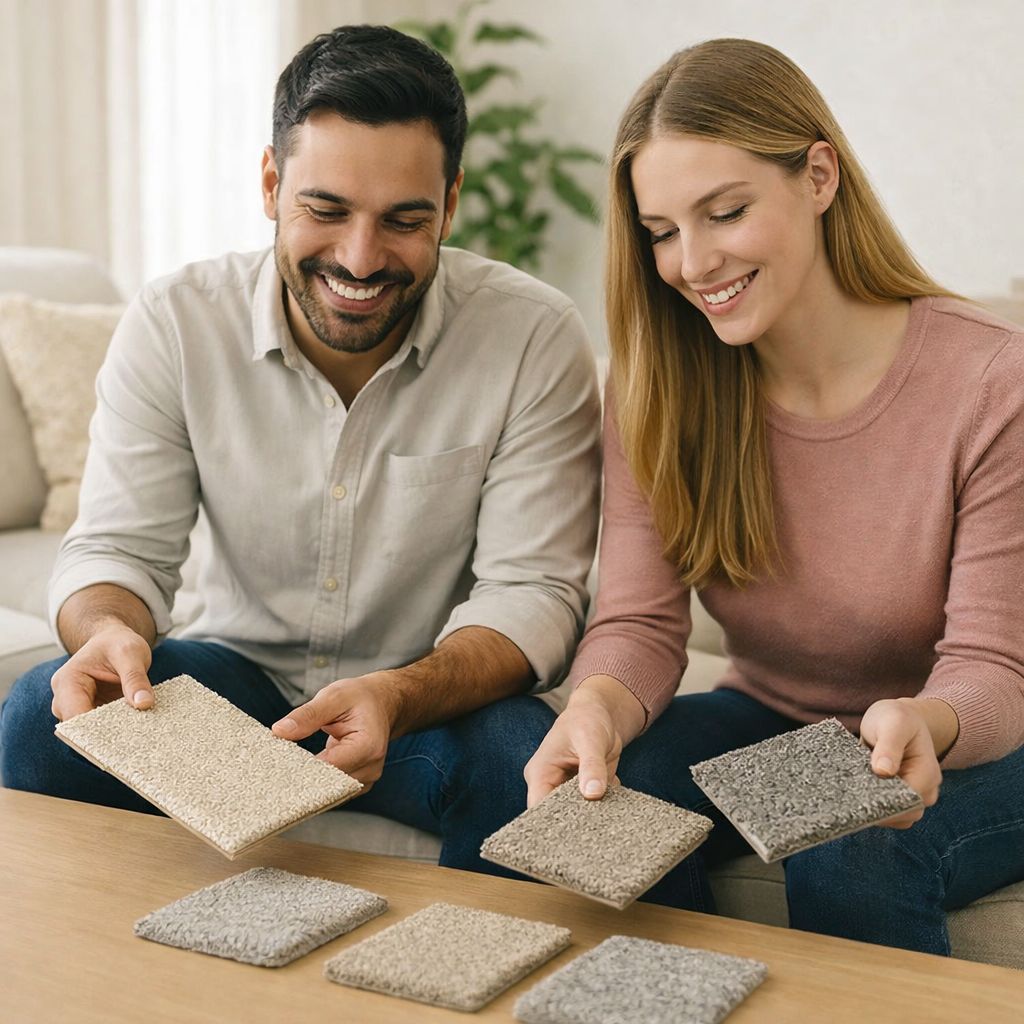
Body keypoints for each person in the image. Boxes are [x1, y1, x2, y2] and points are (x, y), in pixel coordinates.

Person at [0, 25, 599, 876]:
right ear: (272, 183)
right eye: (326, 210)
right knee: (41, 715)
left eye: (403, 220)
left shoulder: (533, 337)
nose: (360, 258)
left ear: (452, 205)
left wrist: (397, 693)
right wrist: (106, 631)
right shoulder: (176, 322)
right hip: (231, 690)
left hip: (425, 706)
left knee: (535, 776)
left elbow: (533, 594)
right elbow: (117, 549)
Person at [524, 37, 1024, 956]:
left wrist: (926, 718)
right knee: (605, 802)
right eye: (663, 231)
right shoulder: (658, 387)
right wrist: (593, 706)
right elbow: (639, 624)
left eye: (725, 213)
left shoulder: (992, 382)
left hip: (980, 741)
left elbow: (996, 666)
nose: (694, 263)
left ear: (820, 175)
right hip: (775, 715)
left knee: (849, 840)